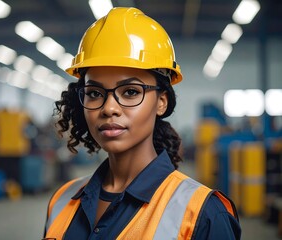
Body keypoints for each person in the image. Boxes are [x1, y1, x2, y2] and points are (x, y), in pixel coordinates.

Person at [43, 7, 241, 240]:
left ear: (161, 102)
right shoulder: (61, 201)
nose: (109, 108)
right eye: (95, 93)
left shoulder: (202, 215)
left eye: (130, 91)